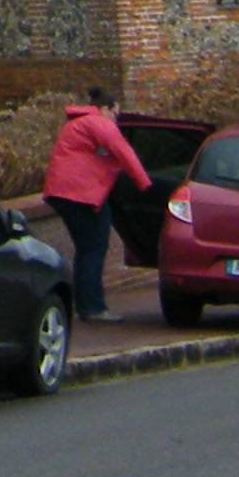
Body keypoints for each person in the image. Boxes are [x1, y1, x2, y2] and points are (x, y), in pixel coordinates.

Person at [41, 98, 152, 325]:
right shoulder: (97, 122)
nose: (115, 119)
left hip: (63, 193)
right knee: (94, 249)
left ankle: (85, 305)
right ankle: (93, 307)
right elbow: (123, 151)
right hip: (81, 195)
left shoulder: (77, 124)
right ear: (105, 108)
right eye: (115, 113)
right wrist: (145, 185)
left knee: (86, 250)